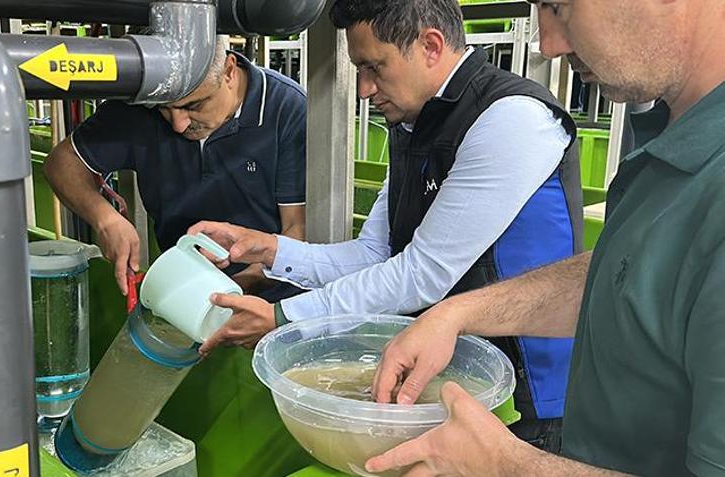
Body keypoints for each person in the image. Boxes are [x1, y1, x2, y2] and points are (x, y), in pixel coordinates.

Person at [190, 0, 582, 451]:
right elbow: (374, 256)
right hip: (450, 378)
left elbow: (422, 273)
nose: (363, 89)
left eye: (374, 67)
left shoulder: (512, 118)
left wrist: (284, 317)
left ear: (430, 45)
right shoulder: (418, 124)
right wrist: (267, 250)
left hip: (531, 400)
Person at [364, 0, 725, 475]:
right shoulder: (672, 138)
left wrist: (502, 463)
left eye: (560, 6)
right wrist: (456, 315)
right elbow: (632, 274)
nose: (548, 43)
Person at [44, 36, 307, 301]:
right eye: (164, 109)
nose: (178, 125)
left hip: (272, 301)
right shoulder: (139, 107)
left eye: (193, 106)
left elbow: (295, 230)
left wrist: (237, 289)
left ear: (228, 71)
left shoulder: (286, 109)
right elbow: (62, 163)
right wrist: (105, 219)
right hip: (185, 292)